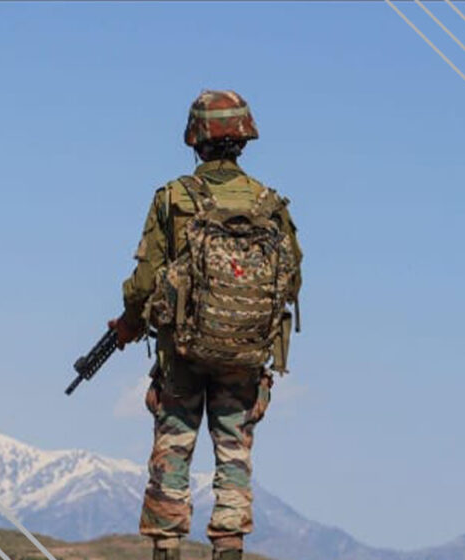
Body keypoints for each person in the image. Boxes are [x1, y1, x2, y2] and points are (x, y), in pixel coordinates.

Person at [108, 90, 303, 560]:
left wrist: (129, 324)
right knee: (234, 455)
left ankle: (167, 548)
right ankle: (229, 548)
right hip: (245, 355)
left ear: (195, 138)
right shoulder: (269, 204)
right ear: (244, 137)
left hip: (182, 352)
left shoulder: (173, 198)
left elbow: (144, 281)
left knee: (173, 449)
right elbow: (292, 279)